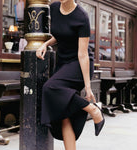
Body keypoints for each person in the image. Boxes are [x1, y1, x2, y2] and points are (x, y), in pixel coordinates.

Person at [36, 0, 105, 150]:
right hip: (62, 63)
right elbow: (61, 35)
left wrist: (88, 86)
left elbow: (83, 54)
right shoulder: (54, 8)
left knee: (49, 88)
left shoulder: (82, 17)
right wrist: (45, 44)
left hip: (79, 65)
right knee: (63, 112)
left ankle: (93, 109)